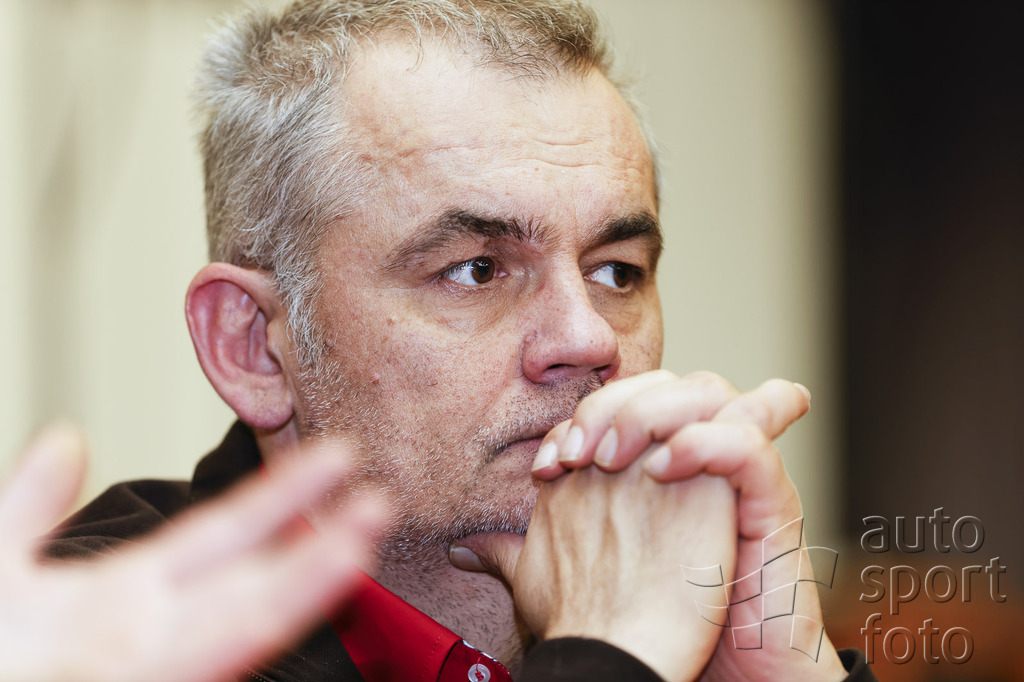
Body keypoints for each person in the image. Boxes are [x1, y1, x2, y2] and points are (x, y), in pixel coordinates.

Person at [37, 1, 877, 680]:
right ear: (254, 346)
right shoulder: (100, 646)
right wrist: (611, 660)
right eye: (477, 270)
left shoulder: (685, 620)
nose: (588, 337)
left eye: (617, 271)